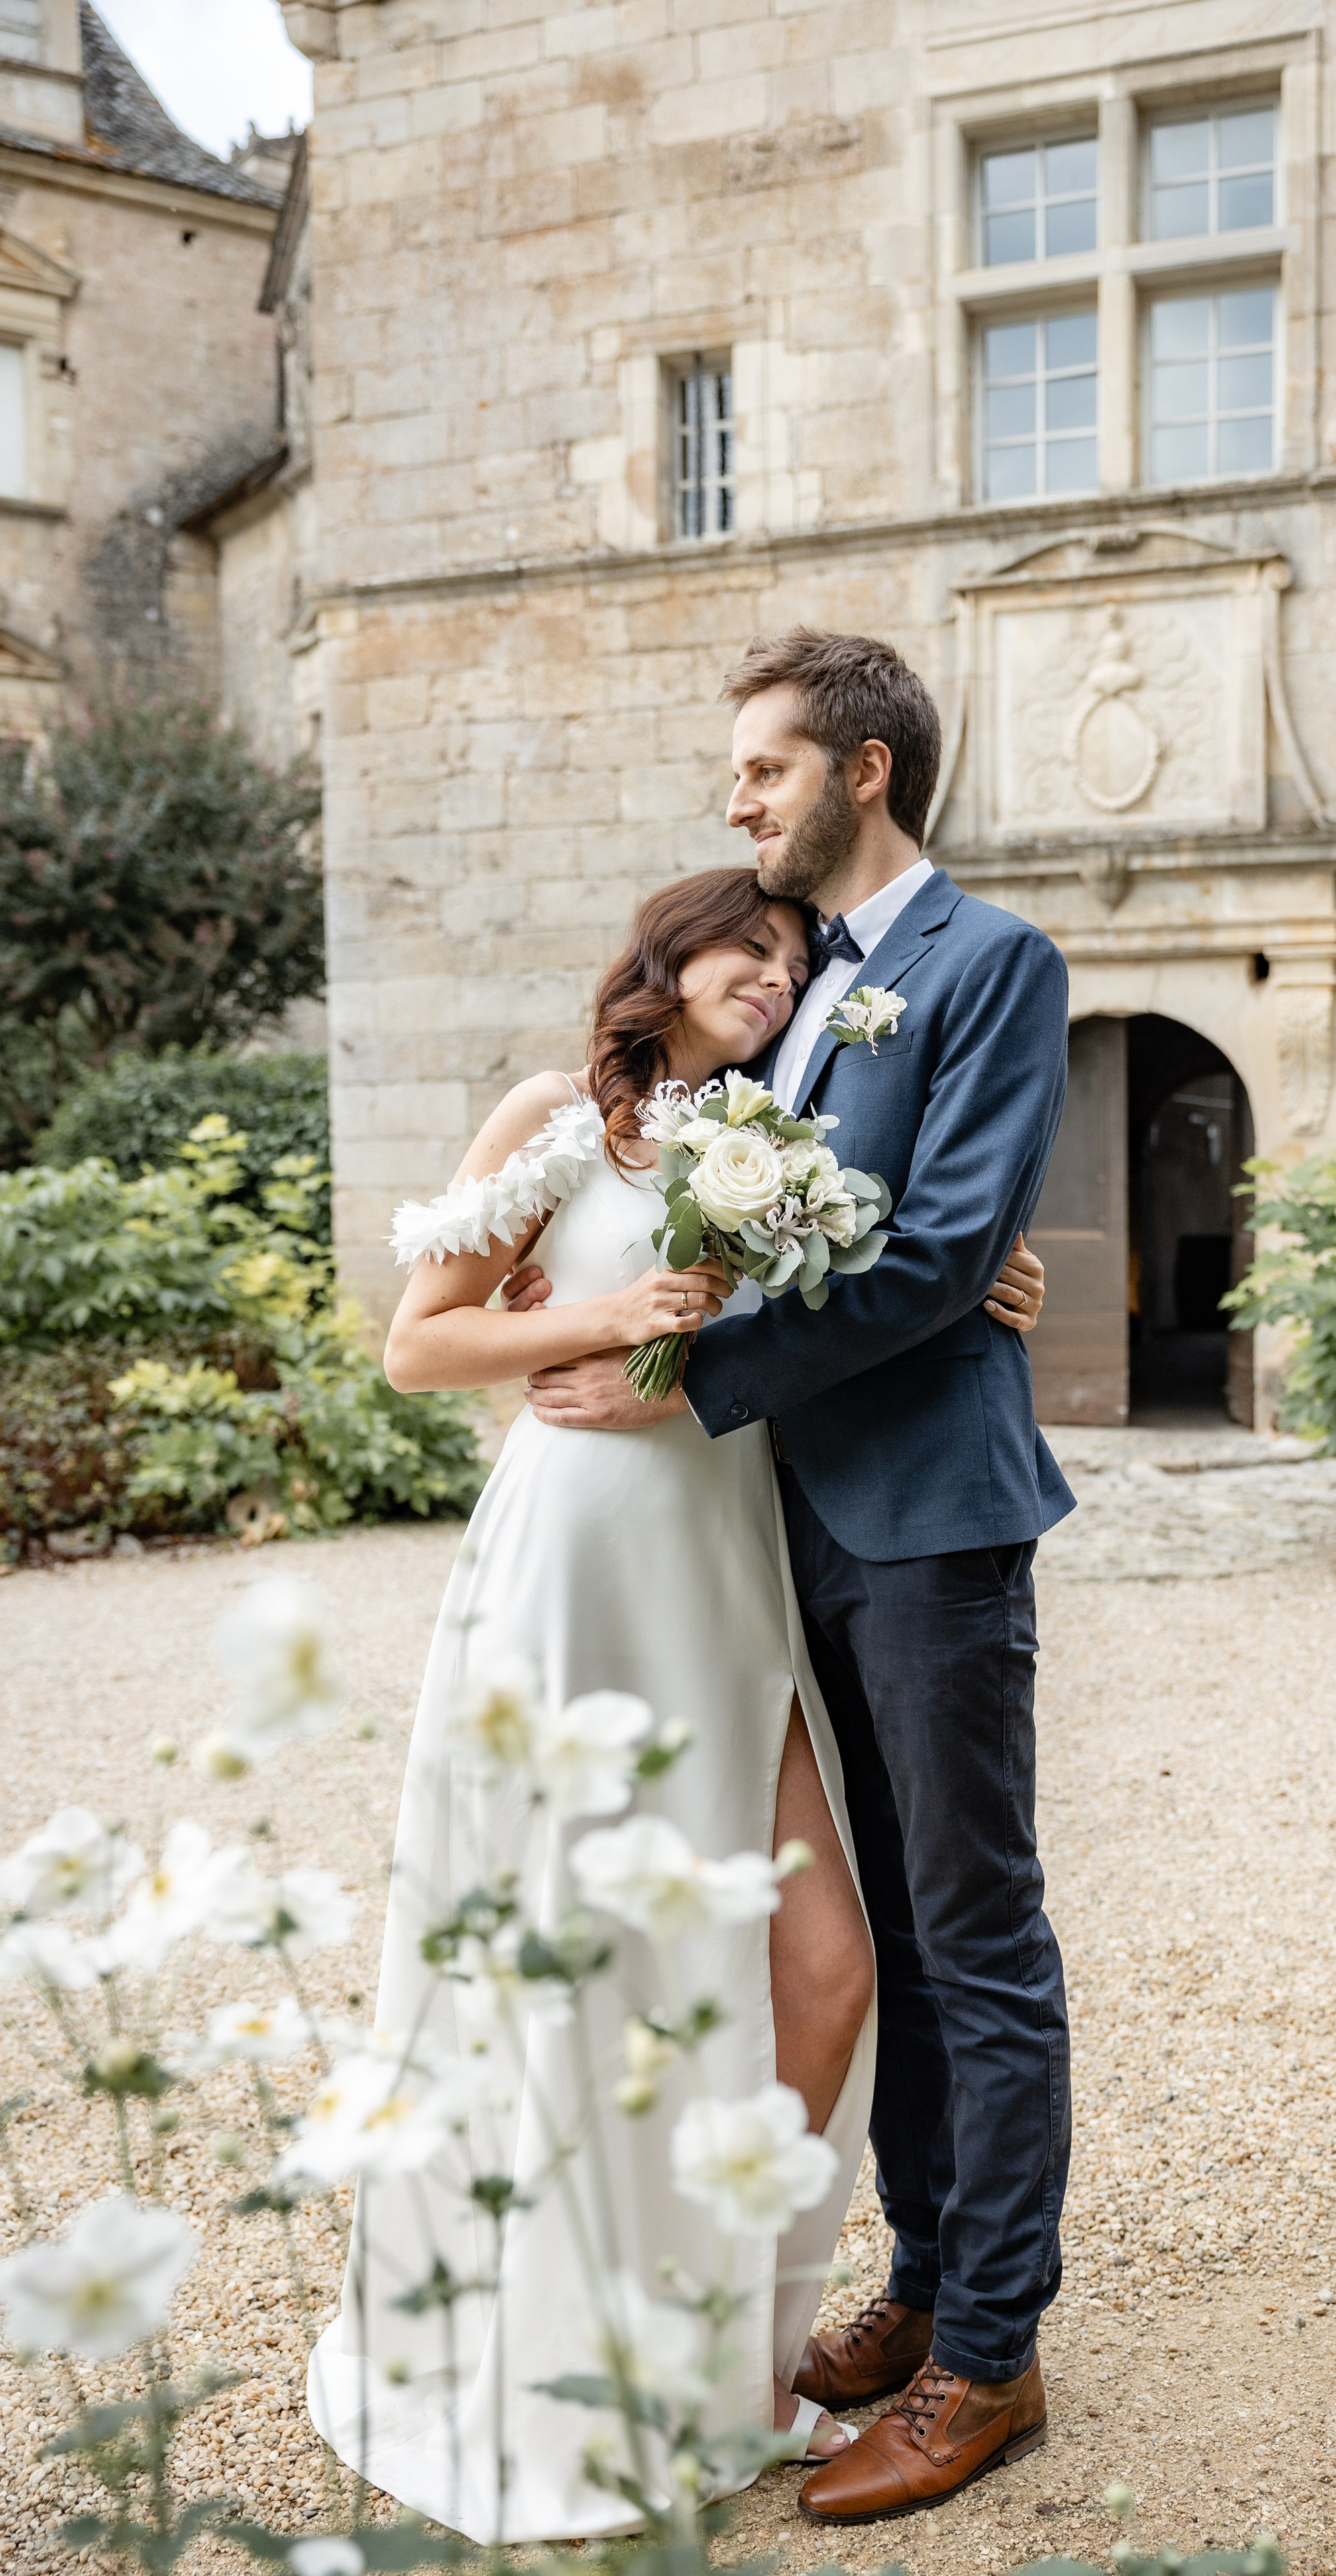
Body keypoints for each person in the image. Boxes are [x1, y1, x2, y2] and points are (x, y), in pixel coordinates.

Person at [304, 862, 1044, 2543]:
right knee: (570, 1968)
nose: (775, 981)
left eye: (795, 964)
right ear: (670, 954)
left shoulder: (786, 1152)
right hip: (576, 1567)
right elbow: (419, 1344)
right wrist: (614, 1314)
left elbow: (887, 1281)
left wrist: (990, 1277)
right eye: (750, 948)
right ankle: (558, 2350)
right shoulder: (561, 1114)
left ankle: (723, 2336)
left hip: (732, 1580)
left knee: (825, 1969)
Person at [521, 627, 1076, 2528]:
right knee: (903, 1940)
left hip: (928, 1515)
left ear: (862, 770)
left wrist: (691, 1388)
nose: (735, 799)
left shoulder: (986, 962)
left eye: (760, 767)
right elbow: (776, 1224)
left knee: (978, 1938)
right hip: (792, 1530)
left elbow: (927, 1256)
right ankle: (925, 2290)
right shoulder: (814, 987)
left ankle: (991, 2356)